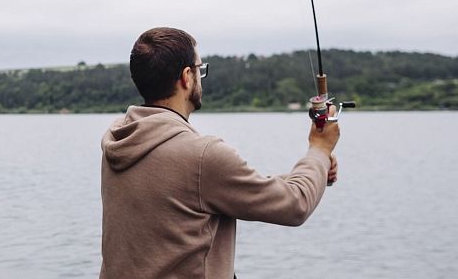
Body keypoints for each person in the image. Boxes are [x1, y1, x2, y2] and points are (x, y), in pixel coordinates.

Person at [100, 27, 340, 279]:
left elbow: (211, 188)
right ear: (186, 77)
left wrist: (316, 168)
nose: (201, 77)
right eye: (199, 69)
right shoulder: (203, 156)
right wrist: (320, 148)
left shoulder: (119, 139)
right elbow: (295, 204)